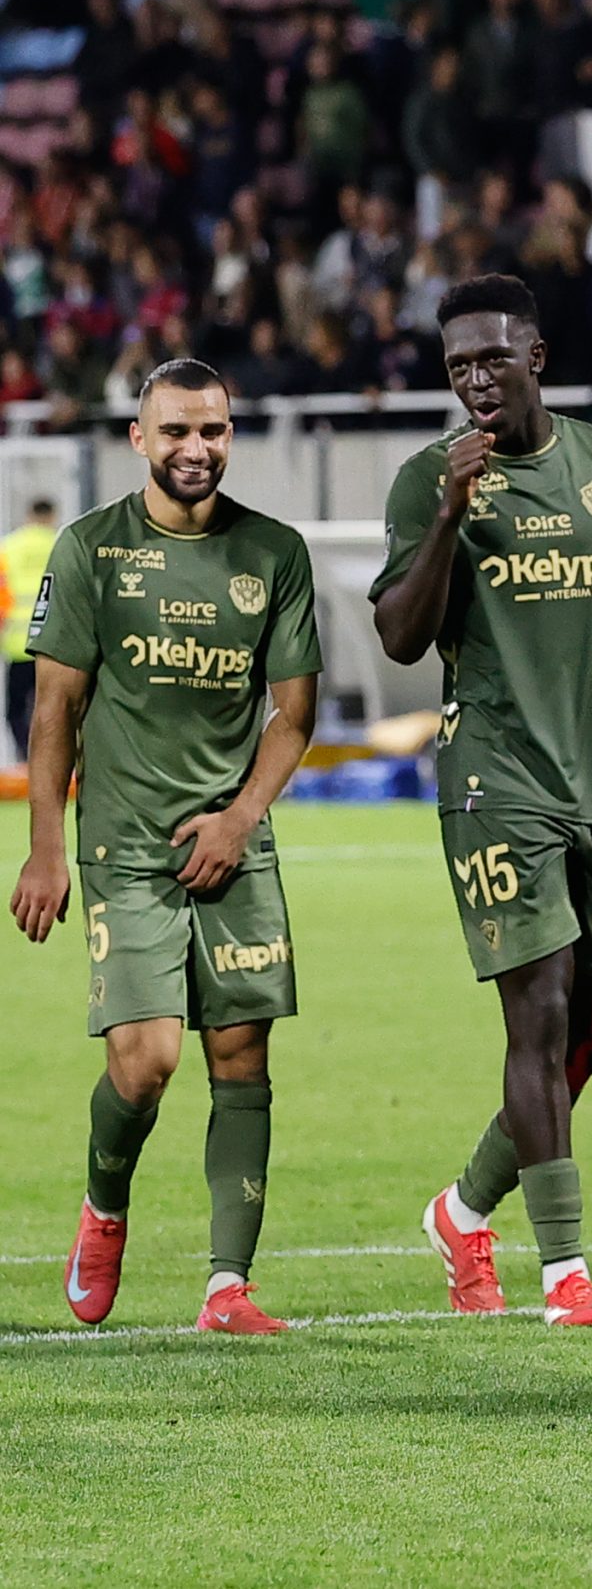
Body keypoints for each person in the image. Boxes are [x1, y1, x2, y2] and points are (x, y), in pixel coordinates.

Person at [371, 273, 592, 1331]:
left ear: (536, 359)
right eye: (458, 365)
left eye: (492, 359)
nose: (475, 380)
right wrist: (447, 516)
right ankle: (567, 1272)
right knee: (542, 1011)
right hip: (492, 782)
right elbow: (400, 636)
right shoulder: (427, 479)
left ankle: (463, 1209)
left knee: (588, 1036)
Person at [9, 359, 320, 1335]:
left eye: (212, 430)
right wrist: (46, 849)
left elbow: (294, 714)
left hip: (234, 846)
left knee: (241, 1054)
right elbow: (53, 710)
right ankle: (105, 1206)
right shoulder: (91, 549)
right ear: (139, 438)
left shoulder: (274, 553)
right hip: (127, 848)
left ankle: (228, 1288)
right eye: (177, 431)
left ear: (231, 436)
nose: (196, 448)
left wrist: (240, 819)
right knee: (146, 1062)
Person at [4, 497, 60, 759]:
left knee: (16, 709)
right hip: (54, 643)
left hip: (18, 642)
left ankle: (25, 758)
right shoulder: (61, 544)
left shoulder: (9, 547)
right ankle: (49, 759)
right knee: (52, 708)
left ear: (29, 515)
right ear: (51, 516)